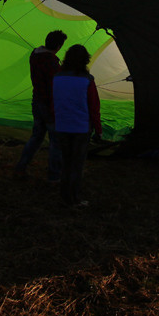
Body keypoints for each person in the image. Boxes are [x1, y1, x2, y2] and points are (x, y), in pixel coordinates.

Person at [51, 43, 102, 207]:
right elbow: (94, 106)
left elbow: (55, 102)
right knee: (77, 164)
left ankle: (64, 195)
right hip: (80, 128)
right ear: (85, 60)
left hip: (62, 126)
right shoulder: (87, 80)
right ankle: (74, 199)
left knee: (65, 162)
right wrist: (98, 129)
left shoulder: (57, 78)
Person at [14, 30, 67, 181]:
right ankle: (54, 175)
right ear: (58, 45)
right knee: (56, 141)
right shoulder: (50, 61)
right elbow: (54, 86)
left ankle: (21, 167)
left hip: (36, 101)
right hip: (49, 104)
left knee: (36, 137)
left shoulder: (35, 55)